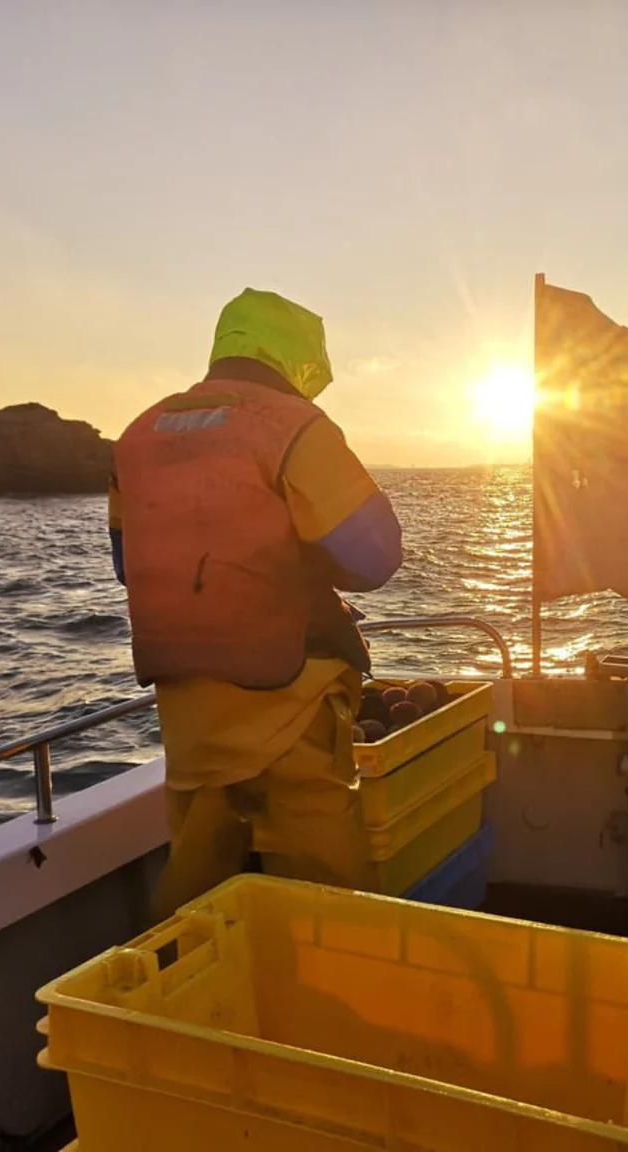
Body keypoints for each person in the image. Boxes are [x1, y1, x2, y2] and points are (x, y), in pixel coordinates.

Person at [108, 288, 402, 921]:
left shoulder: (136, 435)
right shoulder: (294, 427)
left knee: (194, 887)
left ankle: (177, 995)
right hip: (291, 697)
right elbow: (376, 558)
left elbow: (126, 565)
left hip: (186, 713)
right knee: (330, 890)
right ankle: (337, 1002)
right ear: (300, 362)